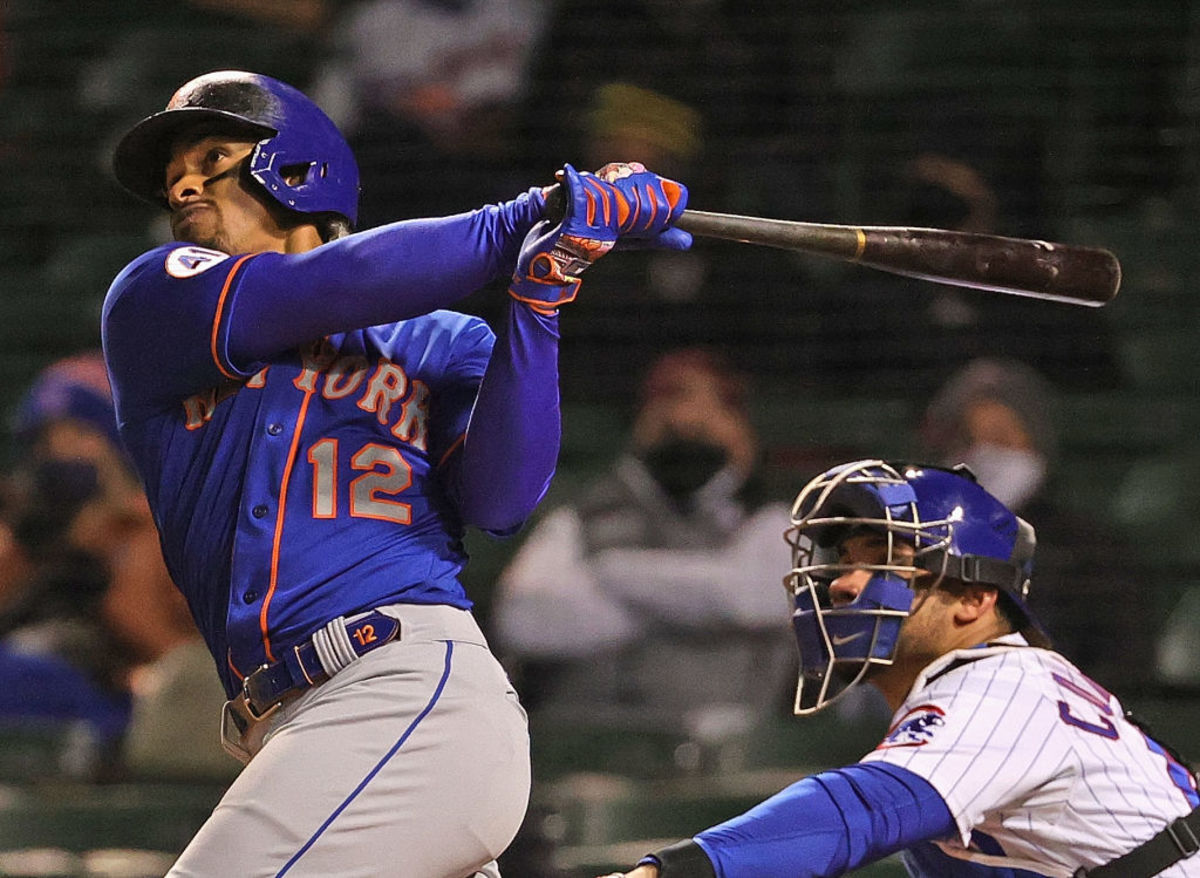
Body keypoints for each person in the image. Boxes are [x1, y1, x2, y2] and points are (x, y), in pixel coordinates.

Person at [100, 69, 688, 876]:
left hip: (401, 689)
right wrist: (534, 214)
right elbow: (335, 283)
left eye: (211, 159)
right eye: (173, 178)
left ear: (296, 169)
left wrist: (541, 294)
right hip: (296, 728)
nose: (183, 187)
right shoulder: (154, 300)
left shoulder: (439, 339)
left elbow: (502, 498)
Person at [602, 459, 1199, 878]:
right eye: (844, 561)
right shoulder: (1001, 686)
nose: (843, 584)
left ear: (974, 598)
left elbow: (857, 812)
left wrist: (668, 872)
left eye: (886, 561)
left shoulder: (1000, 684)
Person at [495, 347, 794, 743]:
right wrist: (693, 608)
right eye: (668, 409)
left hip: (730, 752)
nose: (686, 422)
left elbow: (752, 597)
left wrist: (614, 571)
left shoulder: (774, 516)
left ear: (743, 430)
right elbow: (524, 619)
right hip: (587, 748)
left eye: (708, 417)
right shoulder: (580, 515)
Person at [918, 356, 1153, 691]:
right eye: (969, 440)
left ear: (1038, 443)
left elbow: (1125, 664)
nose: (985, 454)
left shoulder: (1089, 551)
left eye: (1001, 438)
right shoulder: (917, 542)